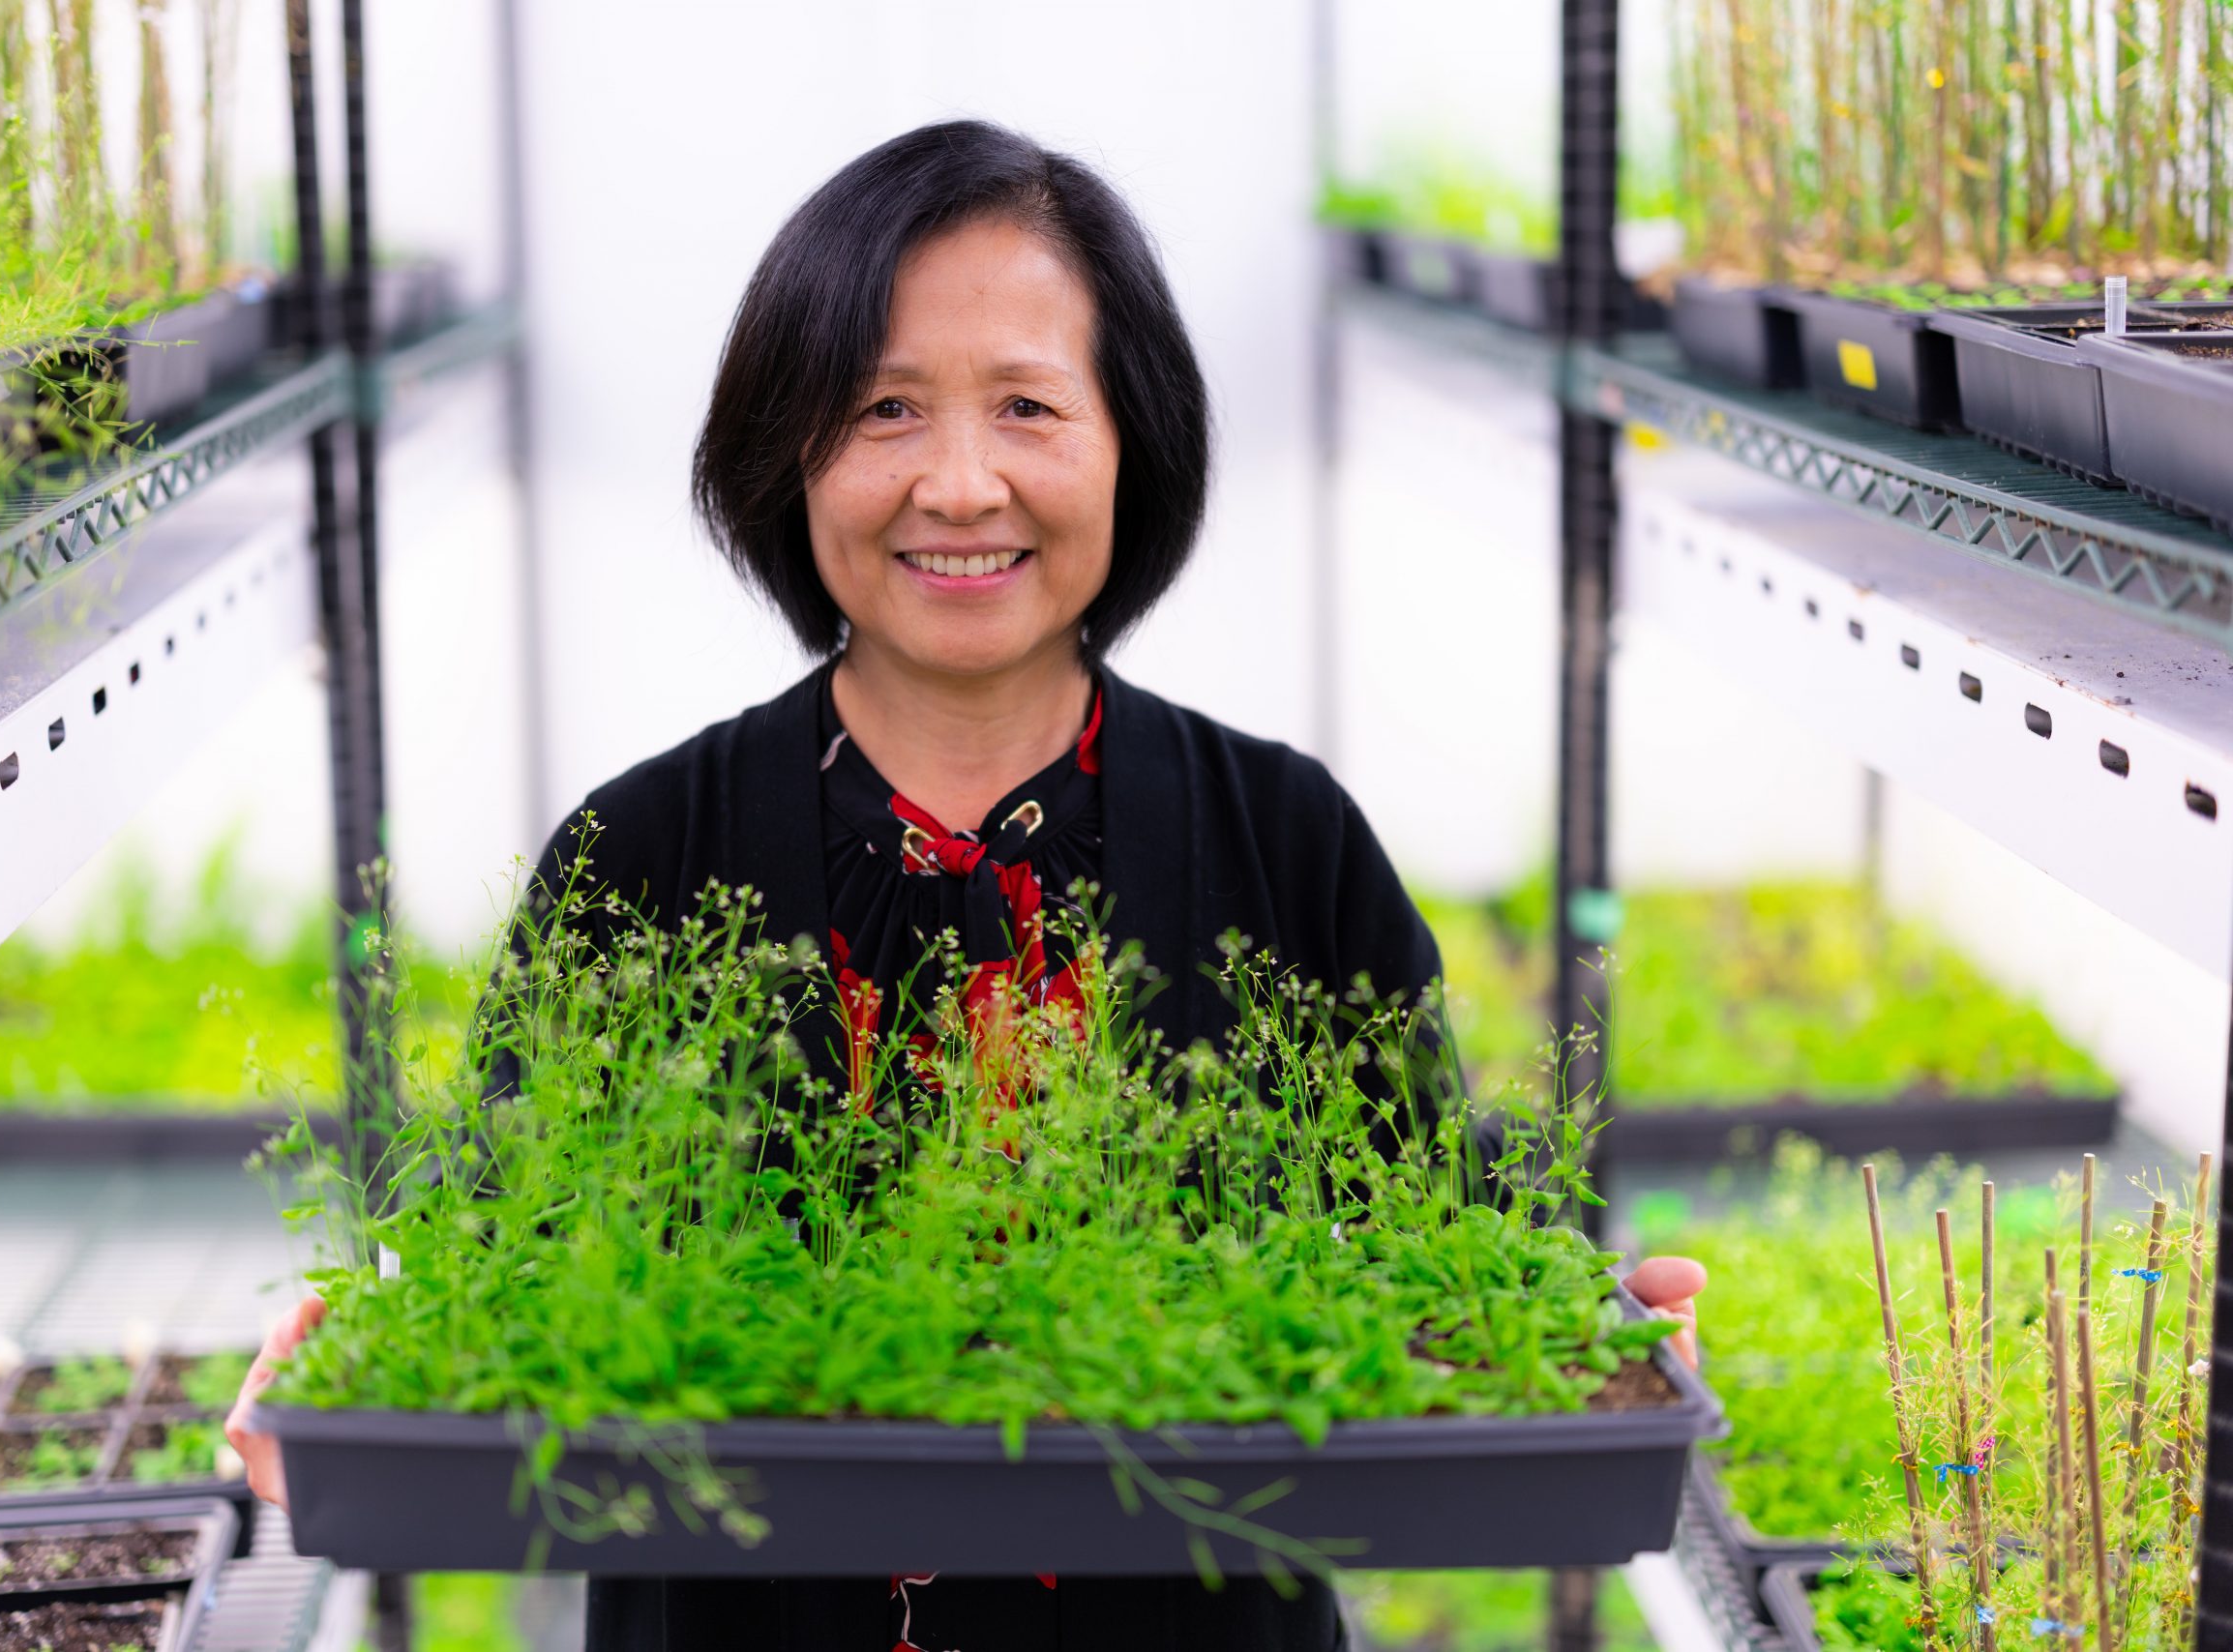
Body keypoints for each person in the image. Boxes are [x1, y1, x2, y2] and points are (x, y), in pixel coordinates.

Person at [226, 119, 1705, 1652]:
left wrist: (1579, 1329)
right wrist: (363, 1356)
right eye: (883, 409)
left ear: (1134, 440)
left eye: (1026, 406)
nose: (958, 482)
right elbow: (506, 1237)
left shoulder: (1281, 835)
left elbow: (1425, 1227)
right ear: (785, 450)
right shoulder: (646, 854)